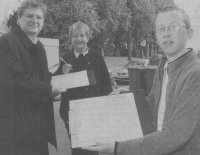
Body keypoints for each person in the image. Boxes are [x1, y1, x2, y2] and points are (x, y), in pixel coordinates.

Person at [83, 5, 200, 155]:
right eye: (161, 28)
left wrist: (118, 147)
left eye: (173, 27)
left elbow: (175, 135)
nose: (166, 33)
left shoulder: (195, 74)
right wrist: (128, 96)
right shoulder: (163, 66)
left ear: (189, 33)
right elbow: (152, 103)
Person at [0, 1, 65, 155]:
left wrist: (54, 88)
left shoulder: (40, 47)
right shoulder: (7, 42)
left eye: (39, 17)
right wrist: (49, 90)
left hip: (38, 125)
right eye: (29, 15)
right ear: (18, 19)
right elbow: (14, 80)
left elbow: (41, 79)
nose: (34, 20)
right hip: (16, 126)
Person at [54, 21, 112, 155]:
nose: (79, 39)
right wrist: (62, 73)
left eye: (82, 35)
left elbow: (106, 86)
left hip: (93, 112)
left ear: (88, 37)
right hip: (71, 113)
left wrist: (103, 111)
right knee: (77, 150)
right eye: (75, 36)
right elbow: (56, 86)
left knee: (92, 149)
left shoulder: (97, 57)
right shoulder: (65, 59)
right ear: (71, 39)